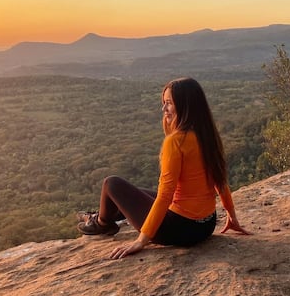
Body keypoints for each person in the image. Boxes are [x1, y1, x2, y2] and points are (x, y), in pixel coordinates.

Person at [76, 77, 250, 259]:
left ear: (184, 106)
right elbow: (220, 182)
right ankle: (102, 216)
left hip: (178, 230)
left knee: (112, 184)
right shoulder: (207, 135)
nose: (163, 109)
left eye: (168, 103)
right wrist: (232, 217)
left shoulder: (176, 142)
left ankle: (102, 223)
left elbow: (166, 195)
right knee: (137, 192)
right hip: (206, 225)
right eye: (164, 103)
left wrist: (142, 240)